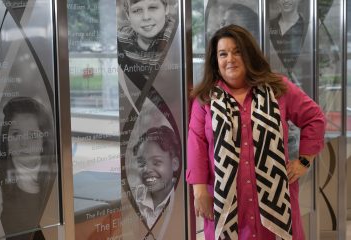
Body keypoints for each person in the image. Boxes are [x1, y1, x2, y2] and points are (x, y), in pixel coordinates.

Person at [186, 24, 325, 240]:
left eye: (237, 51)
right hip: (226, 202)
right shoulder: (205, 99)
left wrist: (304, 161)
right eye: (223, 54)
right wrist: (199, 191)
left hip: (276, 202)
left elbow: (314, 118)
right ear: (216, 60)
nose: (230, 59)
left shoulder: (278, 88)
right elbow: (197, 145)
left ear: (249, 54)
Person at [0, 97, 56, 239]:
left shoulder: (55, 176)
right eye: (16, 134)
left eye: (33, 135)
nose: (24, 143)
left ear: (44, 141)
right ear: (7, 138)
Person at [132, 125, 180, 228]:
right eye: (142, 164)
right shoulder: (135, 198)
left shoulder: (182, 198)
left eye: (156, 162)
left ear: (174, 164)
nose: (147, 169)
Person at [117, 0, 176, 82]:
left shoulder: (177, 38)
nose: (146, 17)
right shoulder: (120, 38)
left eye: (153, 8)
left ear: (166, 9)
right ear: (128, 15)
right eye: (137, 10)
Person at [269, 0, 306, 78]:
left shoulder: (306, 28)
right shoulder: (268, 26)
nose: (286, 0)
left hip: (299, 81)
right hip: (272, 81)